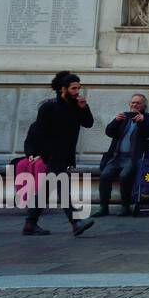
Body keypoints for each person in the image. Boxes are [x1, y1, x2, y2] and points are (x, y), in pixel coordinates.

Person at [21, 71, 96, 236]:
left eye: (78, 88)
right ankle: (76, 221)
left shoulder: (76, 106)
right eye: (74, 88)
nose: (77, 92)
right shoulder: (49, 107)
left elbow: (88, 123)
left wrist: (85, 108)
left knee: (47, 189)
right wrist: (32, 152)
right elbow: (36, 131)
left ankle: (30, 223)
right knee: (62, 185)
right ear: (64, 89)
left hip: (66, 154)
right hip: (52, 154)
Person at [97, 93, 149, 217]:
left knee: (125, 175)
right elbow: (109, 132)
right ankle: (103, 207)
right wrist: (116, 121)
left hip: (134, 158)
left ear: (144, 106)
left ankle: (125, 206)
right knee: (105, 175)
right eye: (133, 102)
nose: (135, 105)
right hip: (117, 157)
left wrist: (142, 122)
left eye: (138, 103)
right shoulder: (124, 117)